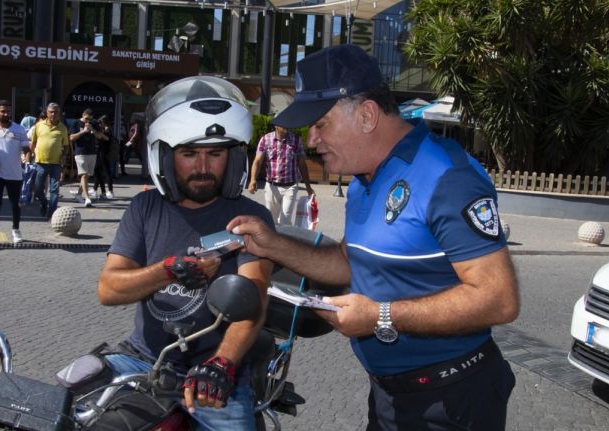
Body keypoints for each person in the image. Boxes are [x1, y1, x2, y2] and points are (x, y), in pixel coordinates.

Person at [227, 44, 520, 431]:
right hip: (389, 398)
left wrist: (381, 316)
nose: (311, 140)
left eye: (321, 124)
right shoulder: (364, 179)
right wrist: (273, 243)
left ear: (366, 115)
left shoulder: (446, 176)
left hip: (451, 402)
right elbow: (348, 262)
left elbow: (499, 299)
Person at [97, 76, 274, 430]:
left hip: (214, 370)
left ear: (234, 157)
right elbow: (109, 289)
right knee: (71, 404)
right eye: (189, 154)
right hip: (144, 359)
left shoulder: (254, 219)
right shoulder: (145, 207)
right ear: (165, 155)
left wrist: (222, 364)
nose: (203, 167)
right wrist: (168, 269)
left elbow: (253, 300)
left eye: (215, 154)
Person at [0, 100, 30, 250]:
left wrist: (27, 162)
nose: (6, 114)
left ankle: (16, 229)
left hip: (15, 174)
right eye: (3, 111)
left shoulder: (20, 129)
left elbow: (27, 149)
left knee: (15, 204)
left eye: (8, 111)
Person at [248, 124, 314, 225]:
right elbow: (257, 161)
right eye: (283, 123)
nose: (286, 125)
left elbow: (302, 163)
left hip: (290, 186)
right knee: (271, 220)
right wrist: (253, 180)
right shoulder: (265, 139)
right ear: (276, 125)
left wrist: (308, 187)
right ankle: (274, 239)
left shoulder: (296, 140)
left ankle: (283, 238)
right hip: (272, 186)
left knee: (285, 219)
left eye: (287, 122)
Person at [30, 102, 69, 219]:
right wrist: (30, 155)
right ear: (47, 113)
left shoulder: (62, 128)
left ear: (59, 114)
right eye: (51, 112)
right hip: (40, 162)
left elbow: (66, 145)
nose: (53, 114)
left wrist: (64, 156)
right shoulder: (39, 126)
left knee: (54, 190)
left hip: (56, 164)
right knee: (37, 189)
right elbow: (33, 142)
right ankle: (44, 203)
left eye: (56, 112)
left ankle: (51, 214)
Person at [68, 108, 100, 207]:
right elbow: (71, 137)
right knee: (84, 175)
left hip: (92, 152)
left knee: (88, 175)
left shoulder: (94, 123)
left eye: (90, 119)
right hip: (80, 152)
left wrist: (92, 130)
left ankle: (78, 194)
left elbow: (99, 136)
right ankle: (87, 198)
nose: (88, 121)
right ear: (83, 115)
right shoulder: (76, 123)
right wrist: (83, 131)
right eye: (86, 118)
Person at [91, 114, 115, 199]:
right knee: (98, 171)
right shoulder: (103, 129)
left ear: (105, 123)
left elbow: (107, 139)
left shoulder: (107, 129)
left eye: (101, 123)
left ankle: (110, 191)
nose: (100, 124)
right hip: (100, 151)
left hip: (105, 152)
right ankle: (95, 189)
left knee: (106, 171)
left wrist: (100, 134)